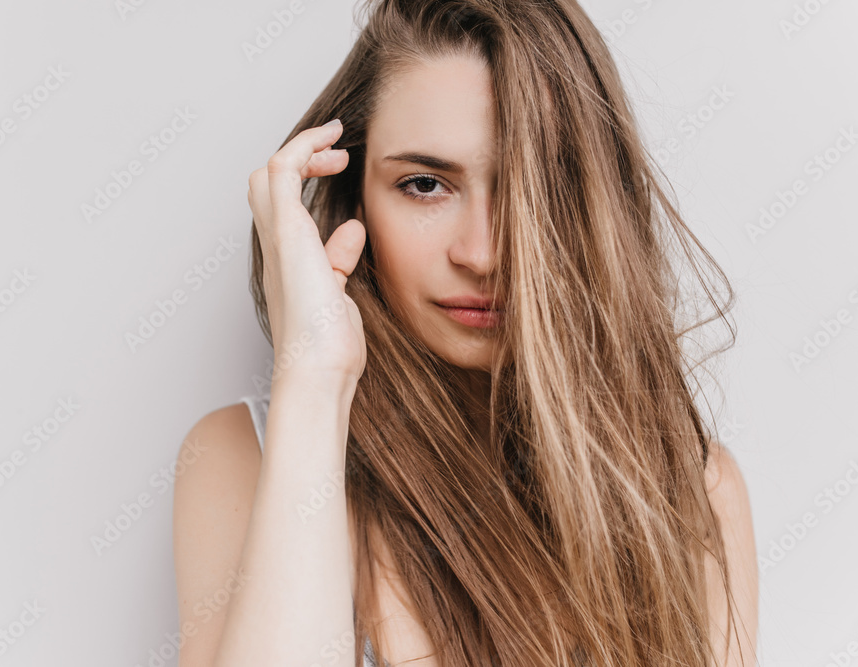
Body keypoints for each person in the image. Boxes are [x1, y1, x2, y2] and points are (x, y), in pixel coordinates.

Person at [172, 1, 759, 665]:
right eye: (424, 184)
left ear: (594, 207)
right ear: (354, 197)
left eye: (534, 188)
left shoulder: (689, 491)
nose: (482, 253)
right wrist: (315, 378)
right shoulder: (241, 458)